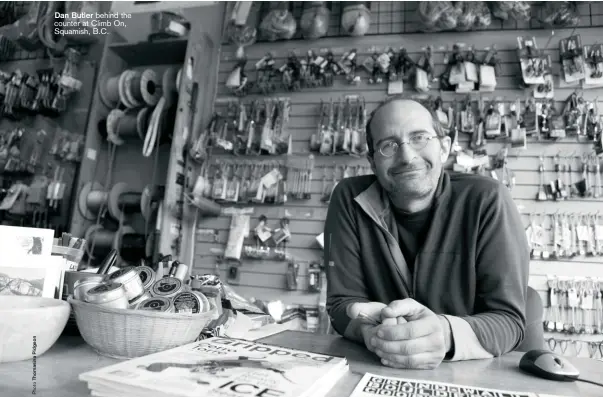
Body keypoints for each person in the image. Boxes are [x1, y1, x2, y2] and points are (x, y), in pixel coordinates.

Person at [324, 97, 530, 370]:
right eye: (388, 145)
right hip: (378, 365)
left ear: (444, 148)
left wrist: (444, 335)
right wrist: (370, 332)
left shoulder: (487, 200)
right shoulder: (350, 198)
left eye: (419, 137)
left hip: (466, 375)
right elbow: (341, 305)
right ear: (372, 162)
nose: (407, 157)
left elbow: (509, 322)